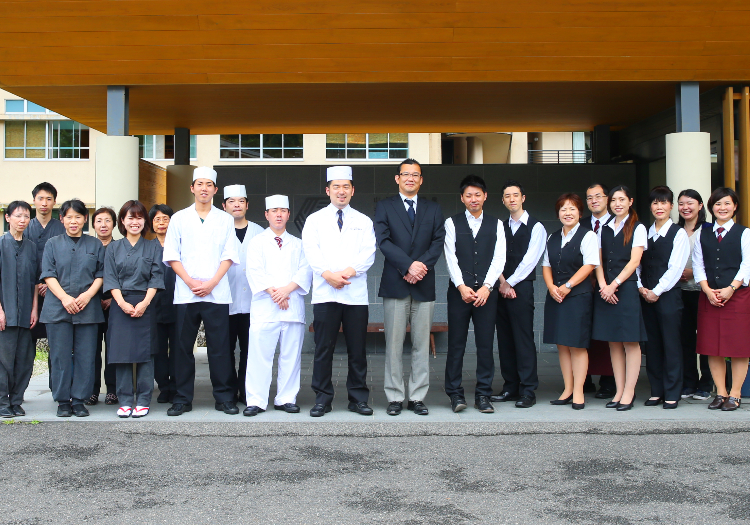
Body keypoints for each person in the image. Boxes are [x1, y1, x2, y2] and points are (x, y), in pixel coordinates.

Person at [162, 166, 240, 416]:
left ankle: (225, 397)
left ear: (215, 190)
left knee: (220, 347)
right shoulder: (179, 218)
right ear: (192, 187)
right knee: (183, 347)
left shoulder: (225, 219)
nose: (204, 188)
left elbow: (229, 255)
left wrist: (212, 283)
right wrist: (190, 282)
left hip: (216, 293)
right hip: (186, 292)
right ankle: (182, 398)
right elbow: (172, 254)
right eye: (200, 184)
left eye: (209, 184)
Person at [302, 166, 376, 417]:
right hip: (325, 293)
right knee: (324, 349)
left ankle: (358, 398)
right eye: (336, 186)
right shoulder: (315, 220)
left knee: (358, 349)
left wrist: (349, 272)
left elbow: (369, 253)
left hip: (355, 295)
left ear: (353, 191)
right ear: (327, 190)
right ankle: (323, 398)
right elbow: (311, 251)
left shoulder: (364, 221)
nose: (341, 191)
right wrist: (327, 275)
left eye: (346, 187)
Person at [374, 159, 445, 416]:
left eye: (415, 175)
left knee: (420, 344)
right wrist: (408, 267)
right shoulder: (384, 207)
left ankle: (416, 397)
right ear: (397, 178)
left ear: (421, 179)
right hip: (396, 283)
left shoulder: (433, 209)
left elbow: (438, 242)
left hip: (424, 284)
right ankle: (394, 396)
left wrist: (419, 267)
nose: (410, 178)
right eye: (406, 174)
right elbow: (383, 241)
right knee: (393, 344)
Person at [243, 195, 312, 416]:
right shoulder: (256, 243)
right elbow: (254, 271)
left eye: (283, 210)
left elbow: (305, 271)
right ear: (266, 215)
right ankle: (256, 400)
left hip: (291, 306)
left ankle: (286, 398)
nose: (279, 214)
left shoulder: (299, 244)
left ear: (289, 214)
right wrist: (274, 292)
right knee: (258, 356)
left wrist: (286, 291)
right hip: (265, 306)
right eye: (274, 211)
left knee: (290, 356)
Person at [443, 175, 505, 413]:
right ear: (462, 198)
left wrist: (487, 287)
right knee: (456, 344)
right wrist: (461, 286)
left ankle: (483, 395)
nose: (473, 199)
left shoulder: (496, 224)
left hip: (486, 294)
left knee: (485, 345)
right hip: (459, 292)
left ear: (485, 196)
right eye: (468, 195)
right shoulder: (452, 223)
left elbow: (500, 257)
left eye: (477, 194)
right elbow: (450, 257)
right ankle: (456, 394)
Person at [40, 199, 105, 417]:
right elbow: (48, 274)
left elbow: (101, 274)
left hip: (88, 309)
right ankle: (62, 401)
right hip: (57, 309)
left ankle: (79, 400)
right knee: (60, 356)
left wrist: (87, 296)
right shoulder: (52, 243)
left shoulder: (95, 245)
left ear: (85, 219)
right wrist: (65, 298)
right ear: (62, 219)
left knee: (86, 356)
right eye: (69, 217)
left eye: (78, 216)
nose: (74, 221)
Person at [104, 201, 164, 418]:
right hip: (120, 304)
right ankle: (125, 399)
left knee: (145, 355)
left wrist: (144, 303)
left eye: (139, 218)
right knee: (122, 355)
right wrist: (122, 303)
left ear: (144, 221)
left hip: (146, 303)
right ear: (122, 221)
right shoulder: (112, 248)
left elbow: (156, 278)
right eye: (130, 217)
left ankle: (144, 400)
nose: (135, 222)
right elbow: (110, 279)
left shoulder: (153, 246)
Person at [692, 187, 750, 411]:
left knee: (738, 348)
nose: (722, 208)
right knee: (712, 346)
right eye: (718, 204)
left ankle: (735, 394)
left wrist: (731, 288)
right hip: (710, 296)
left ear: (735, 207)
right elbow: (698, 264)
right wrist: (706, 290)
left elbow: (747, 264)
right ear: (711, 208)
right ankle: (720, 392)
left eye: (727, 203)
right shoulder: (702, 233)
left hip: (737, 296)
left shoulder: (744, 233)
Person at [592, 185, 647, 412]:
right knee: (613, 341)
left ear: (630, 201)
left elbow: (634, 262)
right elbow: (598, 260)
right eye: (614, 200)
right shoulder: (603, 228)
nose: (617, 204)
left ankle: (629, 392)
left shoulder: (638, 227)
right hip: (607, 290)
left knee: (630, 341)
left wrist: (614, 285)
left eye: (622, 200)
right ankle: (619, 389)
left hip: (626, 290)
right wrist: (604, 285)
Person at [492, 180, 546, 408]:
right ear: (503, 200)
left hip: (521, 288)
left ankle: (527, 390)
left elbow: (530, 260)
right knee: (504, 339)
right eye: (507, 196)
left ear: (523, 198)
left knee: (523, 338)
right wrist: (502, 282)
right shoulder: (500, 226)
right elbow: (495, 258)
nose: (511, 199)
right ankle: (510, 387)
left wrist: (510, 283)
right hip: (501, 286)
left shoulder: (536, 227)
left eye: (515, 195)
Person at [542, 193, 599, 410]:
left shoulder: (588, 236)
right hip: (556, 296)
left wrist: (567, 286)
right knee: (562, 344)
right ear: (558, 214)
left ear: (580, 213)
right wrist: (551, 287)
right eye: (564, 209)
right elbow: (546, 265)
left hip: (577, 296)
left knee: (576, 344)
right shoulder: (552, 237)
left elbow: (590, 265)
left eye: (572, 209)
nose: (568, 213)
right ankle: (567, 389)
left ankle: (579, 391)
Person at [637, 186, 690, 409]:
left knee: (671, 345)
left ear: (671, 206)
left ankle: (672, 392)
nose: (659, 207)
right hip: (645, 296)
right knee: (653, 346)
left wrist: (656, 291)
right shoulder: (645, 232)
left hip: (667, 297)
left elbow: (676, 268)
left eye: (664, 203)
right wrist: (641, 288)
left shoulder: (678, 234)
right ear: (651, 206)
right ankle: (656, 390)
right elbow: (637, 264)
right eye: (655, 203)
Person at [222, 185, 264, 405]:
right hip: (224, 302)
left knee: (250, 351)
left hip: (253, 305)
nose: (236, 205)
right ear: (224, 206)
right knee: (225, 351)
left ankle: (247, 391)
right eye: (231, 201)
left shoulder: (260, 232)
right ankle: (228, 393)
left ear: (247, 205)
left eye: (241, 201)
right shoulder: (218, 231)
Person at [0, 201, 39, 418]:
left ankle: (16, 400)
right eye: (18, 216)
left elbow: (34, 282)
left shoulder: (31, 247)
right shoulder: (0, 244)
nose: (22, 220)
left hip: (26, 314)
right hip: (5, 313)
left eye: (26, 216)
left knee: (24, 359)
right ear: (8, 218)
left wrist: (34, 309)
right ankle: (2, 401)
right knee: (3, 360)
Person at [23, 183, 65, 380]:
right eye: (41, 198)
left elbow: (66, 261)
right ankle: (19, 389)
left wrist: (50, 283)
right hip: (27, 293)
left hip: (55, 292)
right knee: (26, 344)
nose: (44, 203)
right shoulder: (25, 227)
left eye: (49, 199)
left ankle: (56, 388)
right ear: (34, 201)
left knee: (56, 344)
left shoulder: (61, 228)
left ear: (55, 202)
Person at [580, 183, 617, 399]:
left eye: (598, 196)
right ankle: (585, 378)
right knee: (584, 332)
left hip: (611, 287)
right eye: (589, 197)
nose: (594, 200)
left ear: (607, 199)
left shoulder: (619, 223)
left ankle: (609, 380)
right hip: (585, 286)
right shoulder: (581, 224)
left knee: (608, 334)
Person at [676, 189, 713, 400]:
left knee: (706, 339)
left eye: (690, 203)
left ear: (700, 206)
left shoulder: (708, 230)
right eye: (681, 204)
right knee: (685, 339)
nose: (685, 207)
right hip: (680, 292)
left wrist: (694, 273)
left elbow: (717, 260)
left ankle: (706, 384)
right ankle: (688, 382)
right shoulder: (676, 230)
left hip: (703, 292)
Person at [87, 207, 117, 406]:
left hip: (116, 305)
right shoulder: (87, 247)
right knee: (91, 349)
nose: (103, 225)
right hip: (91, 305)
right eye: (99, 221)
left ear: (114, 224)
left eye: (107, 220)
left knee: (114, 350)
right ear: (93, 225)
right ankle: (92, 390)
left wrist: (114, 299)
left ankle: (112, 390)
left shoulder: (121, 247)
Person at [150, 204, 178, 404]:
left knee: (178, 350)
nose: (161, 223)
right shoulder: (147, 247)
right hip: (153, 307)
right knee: (158, 351)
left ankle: (177, 387)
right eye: (157, 219)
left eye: (165, 219)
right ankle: (164, 387)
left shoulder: (180, 245)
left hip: (178, 306)